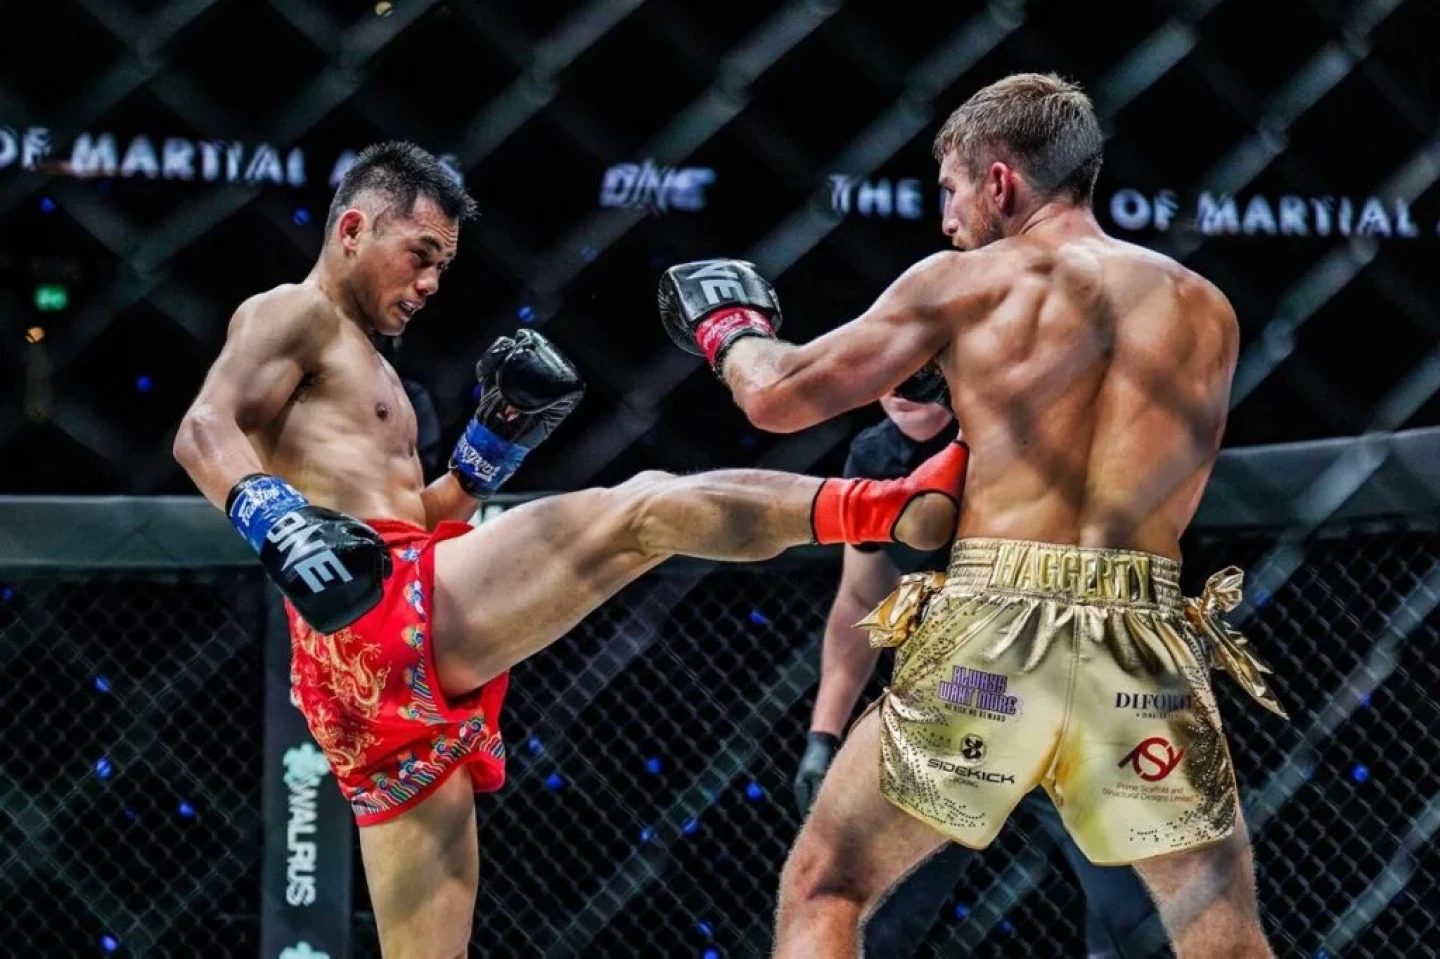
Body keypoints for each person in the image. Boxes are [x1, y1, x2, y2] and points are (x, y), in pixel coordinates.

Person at [172, 141, 968, 959]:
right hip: (383, 610)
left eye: (443, 265)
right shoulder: (292, 311)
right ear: (351, 229)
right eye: (421, 254)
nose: (431, 282)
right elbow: (203, 427)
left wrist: (485, 455)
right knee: (643, 509)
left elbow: (413, 515)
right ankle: (892, 506)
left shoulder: (367, 367)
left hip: (354, 664)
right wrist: (277, 520)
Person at [659, 74, 1289, 958]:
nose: (946, 218)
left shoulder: (968, 282)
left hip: (998, 624)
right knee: (1216, 927)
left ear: (1000, 182)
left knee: (828, 887)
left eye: (951, 189)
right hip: (1144, 632)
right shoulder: (1203, 306)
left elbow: (778, 395)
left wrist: (730, 328)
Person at [796, 393, 1165, 958]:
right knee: (869, 916)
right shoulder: (878, 456)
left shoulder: (1035, 426)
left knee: (1138, 923)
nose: (900, 386)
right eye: (888, 373)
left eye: (917, 369)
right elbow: (861, 599)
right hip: (956, 712)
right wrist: (823, 733)